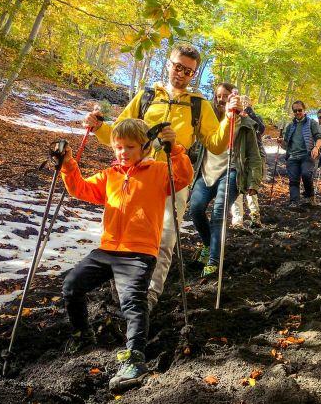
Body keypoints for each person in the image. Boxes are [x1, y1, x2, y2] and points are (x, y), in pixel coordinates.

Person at [84, 44, 241, 311]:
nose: (181, 74)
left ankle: (148, 298)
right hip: (135, 176)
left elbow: (216, 143)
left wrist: (228, 117)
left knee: (166, 237)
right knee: (121, 234)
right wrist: (98, 127)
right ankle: (121, 291)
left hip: (173, 178)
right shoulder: (146, 96)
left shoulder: (198, 105)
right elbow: (119, 133)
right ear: (169, 64)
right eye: (178, 66)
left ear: (194, 75)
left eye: (188, 71)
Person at [60, 118, 192, 392]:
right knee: (72, 285)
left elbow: (183, 177)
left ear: (144, 147)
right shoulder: (110, 175)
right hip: (107, 249)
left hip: (139, 253)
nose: (123, 152)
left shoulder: (158, 171)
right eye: (118, 147)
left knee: (132, 302)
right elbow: (79, 188)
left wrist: (174, 148)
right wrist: (67, 164)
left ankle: (135, 358)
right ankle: (82, 332)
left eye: (129, 147)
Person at [188, 83, 263, 278]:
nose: (221, 99)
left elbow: (254, 156)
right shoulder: (207, 119)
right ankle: (207, 244)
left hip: (231, 171)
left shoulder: (246, 124)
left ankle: (214, 260)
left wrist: (254, 182)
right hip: (205, 172)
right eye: (218, 96)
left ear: (234, 98)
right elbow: (194, 146)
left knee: (218, 213)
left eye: (226, 96)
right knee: (195, 209)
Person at [231, 95, 265, 227]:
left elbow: (261, 128)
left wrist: (249, 111)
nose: (244, 103)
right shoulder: (234, 117)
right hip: (238, 157)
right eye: (242, 101)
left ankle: (255, 216)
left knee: (251, 187)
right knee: (237, 187)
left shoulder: (255, 117)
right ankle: (237, 220)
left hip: (253, 154)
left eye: (247, 101)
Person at [281, 101, 321, 207]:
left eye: (300, 110)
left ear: (304, 110)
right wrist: (281, 142)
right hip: (292, 156)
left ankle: (310, 197)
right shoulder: (290, 126)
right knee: (293, 179)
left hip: (307, 155)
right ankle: (294, 202)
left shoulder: (312, 123)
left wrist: (316, 148)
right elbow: (285, 145)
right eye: (295, 111)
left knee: (306, 174)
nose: (298, 112)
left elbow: (319, 137)